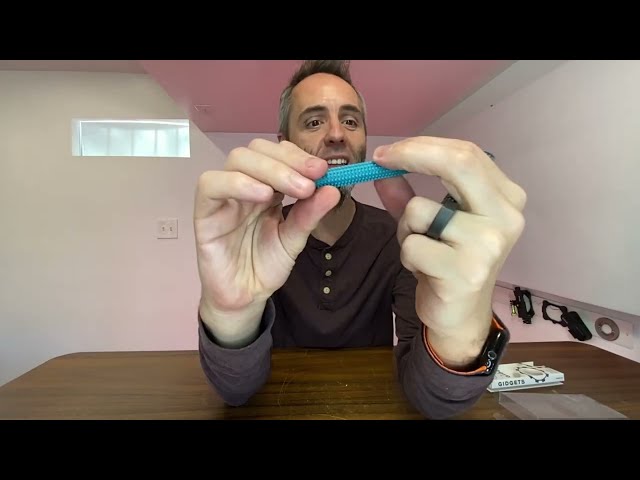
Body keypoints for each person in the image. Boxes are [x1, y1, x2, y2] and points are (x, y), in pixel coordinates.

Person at [193, 60, 527, 419]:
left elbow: (431, 403)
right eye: (314, 121)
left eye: (351, 121)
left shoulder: (401, 237)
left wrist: (460, 335)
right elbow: (238, 394)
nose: (337, 134)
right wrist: (231, 316)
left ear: (364, 142)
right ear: (284, 144)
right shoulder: (256, 239)